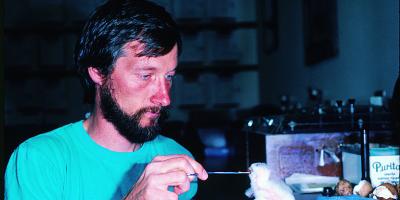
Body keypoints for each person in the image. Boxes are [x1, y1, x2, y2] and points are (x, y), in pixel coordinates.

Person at [4, 0, 208, 199]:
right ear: (99, 72)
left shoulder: (177, 162)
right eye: (145, 75)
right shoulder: (40, 160)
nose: (164, 98)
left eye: (169, 76)